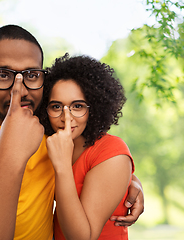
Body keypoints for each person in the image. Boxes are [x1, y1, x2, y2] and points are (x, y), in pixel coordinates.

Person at [0, 25, 143, 240]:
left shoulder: (52, 133)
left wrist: (127, 181)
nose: (20, 90)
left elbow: (92, 163)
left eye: (31, 75)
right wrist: (12, 152)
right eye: (3, 75)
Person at [39, 53, 135, 239]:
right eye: (56, 107)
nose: (66, 117)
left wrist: (62, 167)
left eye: (78, 106)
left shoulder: (111, 151)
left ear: (95, 107)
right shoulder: (48, 144)